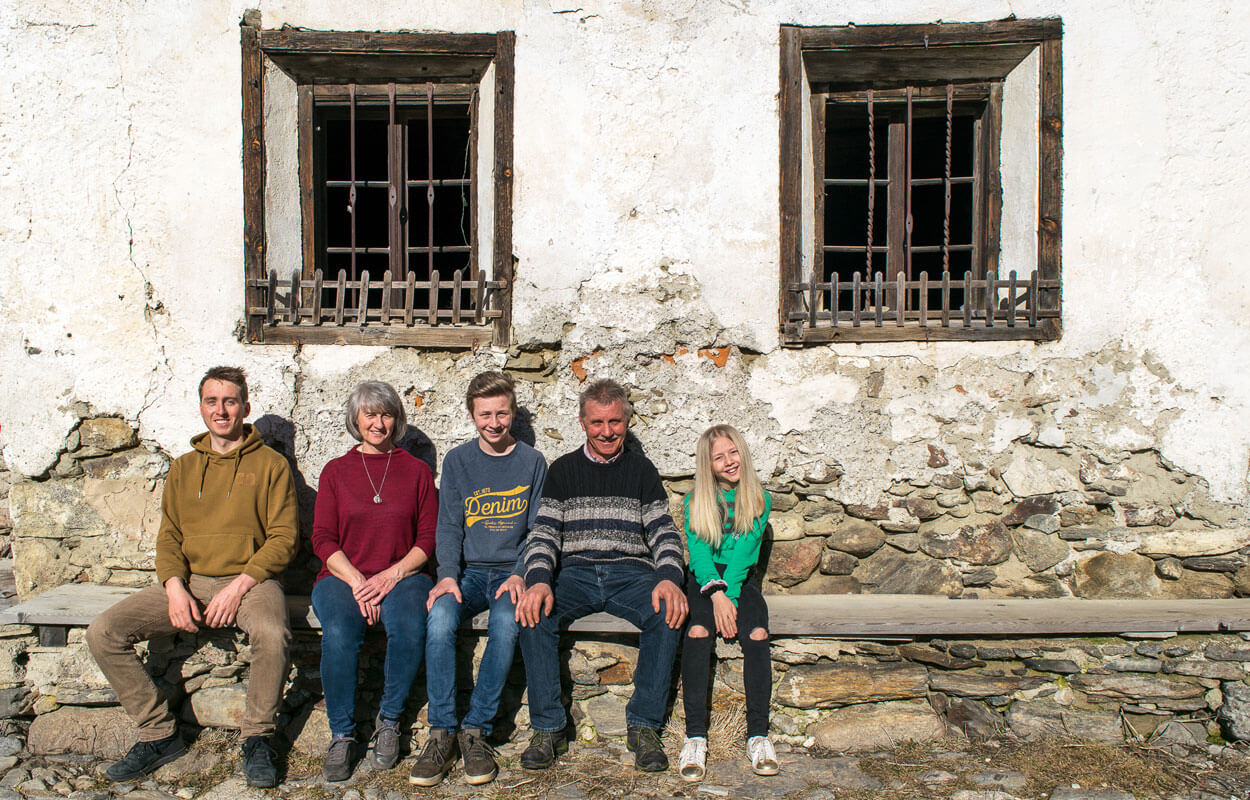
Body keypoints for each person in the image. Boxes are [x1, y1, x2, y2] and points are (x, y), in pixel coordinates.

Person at [87, 366, 297, 788]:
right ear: (201, 407)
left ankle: (258, 738)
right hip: (192, 581)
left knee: (273, 635)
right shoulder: (183, 468)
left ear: (245, 407)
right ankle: (159, 734)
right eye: (212, 401)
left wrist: (240, 586)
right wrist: (175, 587)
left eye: (230, 401)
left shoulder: (272, 465)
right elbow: (170, 537)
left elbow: (284, 538)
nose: (221, 411)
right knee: (103, 631)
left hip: (252, 582)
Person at [515, 378, 687, 772]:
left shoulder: (642, 470)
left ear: (626, 420)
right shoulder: (561, 470)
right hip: (574, 573)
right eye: (597, 423)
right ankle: (547, 728)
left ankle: (643, 726)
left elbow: (663, 532)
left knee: (668, 612)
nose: (607, 432)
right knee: (532, 612)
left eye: (615, 422)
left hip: (631, 573)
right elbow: (544, 533)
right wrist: (538, 579)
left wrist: (667, 577)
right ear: (582, 423)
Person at [412, 371, 548, 787]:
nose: (494, 422)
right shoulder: (458, 461)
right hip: (468, 573)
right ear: (472, 415)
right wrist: (447, 576)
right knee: (438, 620)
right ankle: (441, 731)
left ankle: (477, 730)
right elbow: (449, 526)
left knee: (508, 623)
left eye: (502, 413)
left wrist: (522, 573)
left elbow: (538, 529)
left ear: (512, 414)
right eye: (485, 414)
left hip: (509, 575)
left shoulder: (531, 461)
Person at [310, 381, 437, 782]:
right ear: (356, 419)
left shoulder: (417, 471)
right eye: (370, 414)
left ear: (396, 420)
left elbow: (428, 539)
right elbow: (322, 538)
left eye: (385, 414)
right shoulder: (335, 471)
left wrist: (390, 575)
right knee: (340, 634)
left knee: (410, 628)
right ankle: (343, 734)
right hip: (342, 576)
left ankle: (390, 720)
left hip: (404, 576)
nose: (378, 423)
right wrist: (358, 582)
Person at [677, 425, 776, 781]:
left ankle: (758, 734)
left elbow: (745, 557)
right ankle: (695, 736)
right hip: (704, 580)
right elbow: (699, 555)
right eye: (719, 457)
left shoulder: (759, 498)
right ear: (709, 464)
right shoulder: (695, 501)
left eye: (733, 452)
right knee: (700, 631)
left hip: (738, 579)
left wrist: (730, 596)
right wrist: (716, 596)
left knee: (759, 634)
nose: (729, 461)